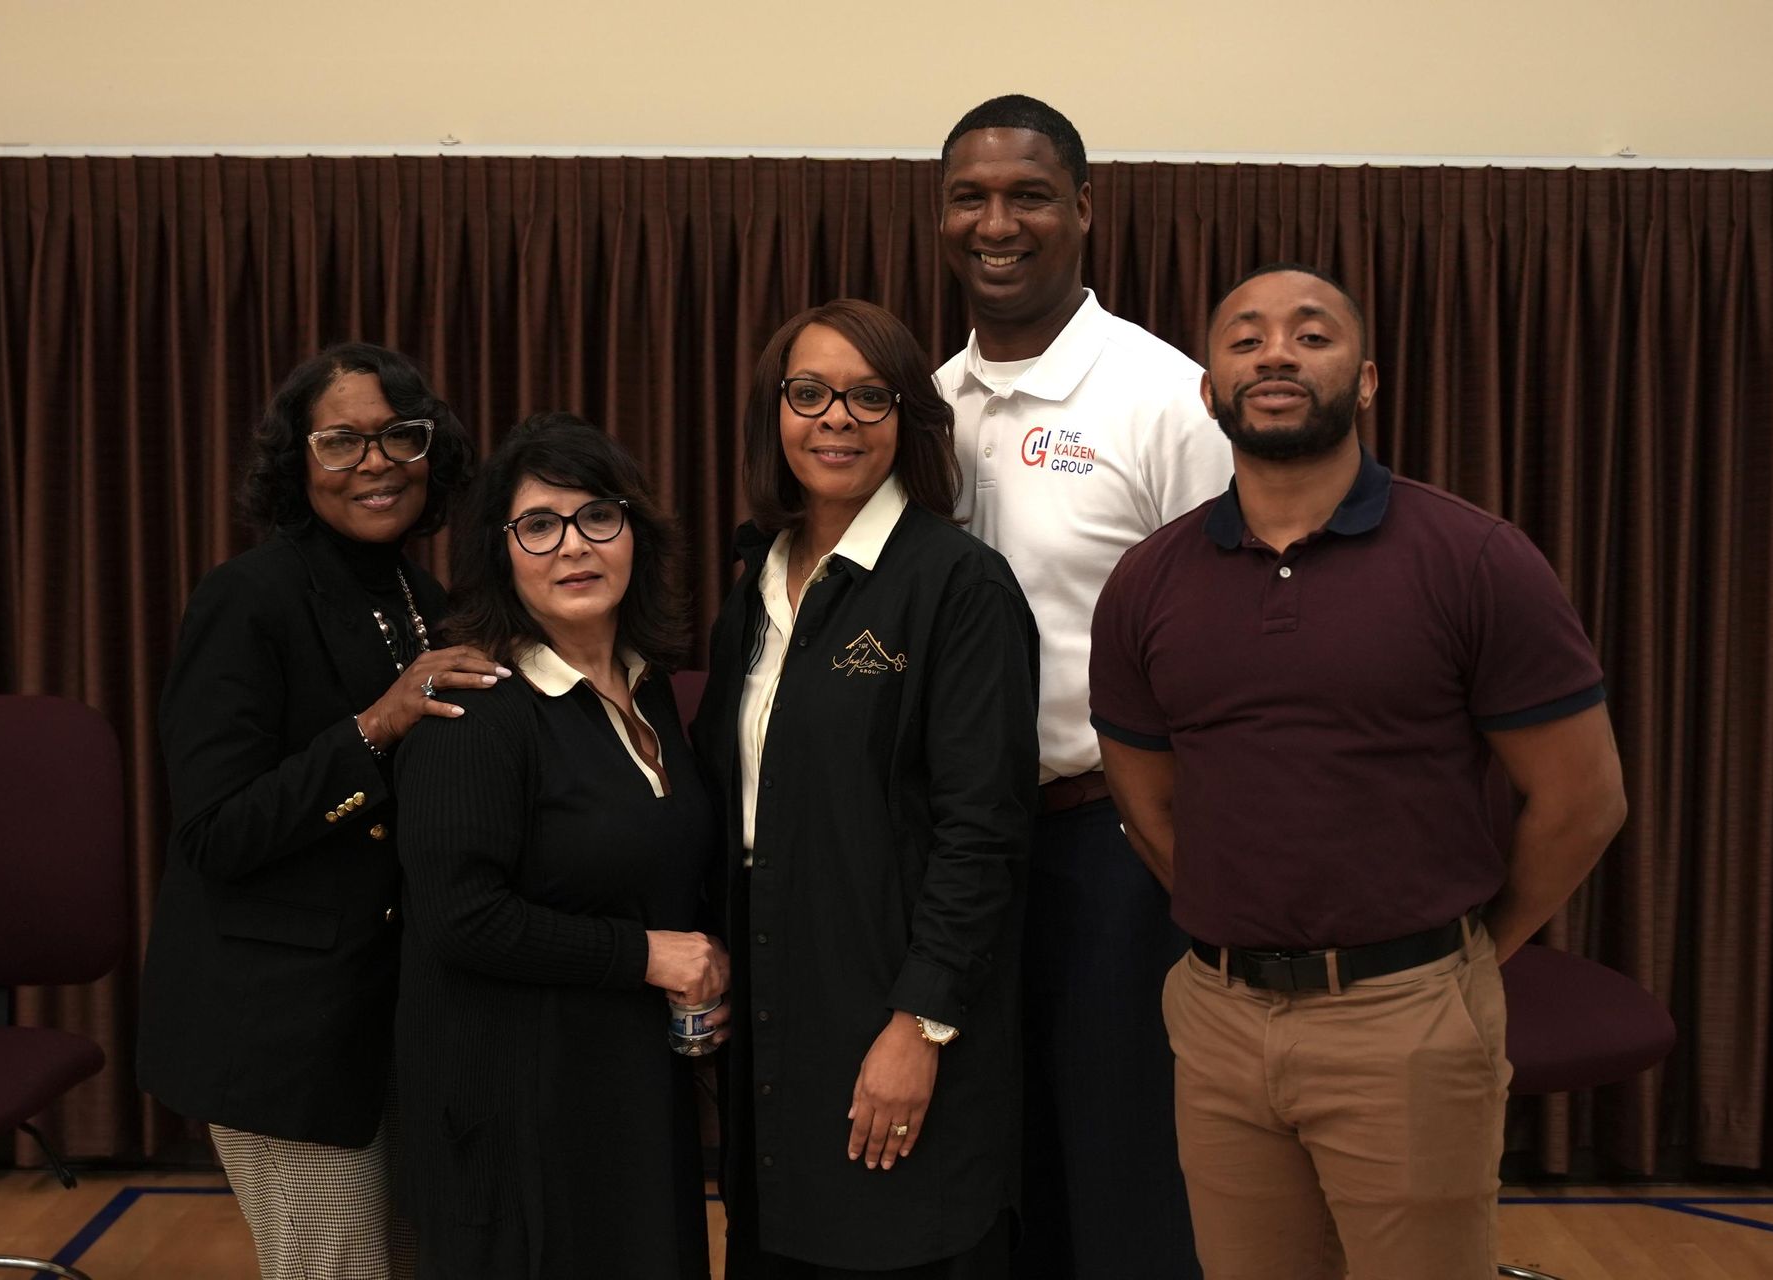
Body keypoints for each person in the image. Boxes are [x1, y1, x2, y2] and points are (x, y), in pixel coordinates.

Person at [1090, 264, 1629, 1279]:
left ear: (1368, 378)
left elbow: (1582, 799)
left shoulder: (1474, 559)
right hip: (1218, 1017)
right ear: (1210, 390)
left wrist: (1466, 948)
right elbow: (1148, 803)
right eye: (1245, 338)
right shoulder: (1148, 581)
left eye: (1311, 333)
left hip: (1411, 1019)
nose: (1277, 352)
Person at [933, 93, 1231, 1278]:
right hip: (954, 844)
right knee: (995, 1166)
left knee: (1124, 1170)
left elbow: (1232, 641)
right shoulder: (925, 404)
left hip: (1114, 839)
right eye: (970, 196)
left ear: (1084, 212)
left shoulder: (1165, 397)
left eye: (1028, 195)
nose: (997, 223)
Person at [692, 299, 1039, 1278]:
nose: (835, 417)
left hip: (898, 1009)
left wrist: (917, 1024)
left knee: (906, 1241)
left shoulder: (959, 586)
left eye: (867, 395)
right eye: (809, 393)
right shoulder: (754, 580)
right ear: (775, 412)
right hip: (772, 1021)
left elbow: (984, 831)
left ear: (907, 418)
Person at [138, 342, 492, 1280]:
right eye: (341, 442)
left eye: (397, 437)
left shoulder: (422, 597)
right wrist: (376, 725)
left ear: (433, 453)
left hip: (392, 1023)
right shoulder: (246, 598)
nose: (374, 464)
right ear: (298, 463)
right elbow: (216, 832)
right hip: (280, 1039)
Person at [391, 413, 726, 1279]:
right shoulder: (476, 707)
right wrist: (648, 954)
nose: (573, 547)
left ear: (634, 534)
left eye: (596, 517)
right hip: (516, 1113)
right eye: (539, 525)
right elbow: (461, 919)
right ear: (500, 552)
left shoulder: (649, 689)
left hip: (628, 1089)